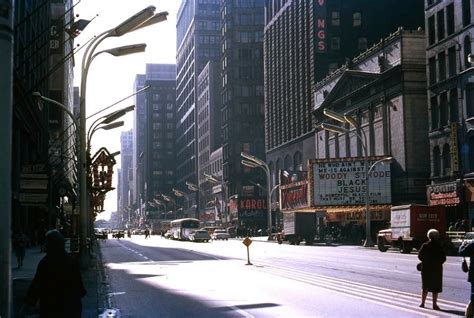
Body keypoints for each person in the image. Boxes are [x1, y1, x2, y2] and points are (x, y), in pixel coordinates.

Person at [22, 229, 86, 318]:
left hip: (51, 308)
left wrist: (28, 304)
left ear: (49, 245)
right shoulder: (71, 261)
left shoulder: (45, 263)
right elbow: (79, 285)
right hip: (71, 308)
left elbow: (36, 285)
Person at [418, 228, 446, 310]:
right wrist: (437, 262)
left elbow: (420, 256)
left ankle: (422, 303)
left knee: (425, 286)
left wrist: (426, 261)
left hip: (426, 268)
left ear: (429, 236)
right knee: (435, 287)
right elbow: (443, 258)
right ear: (437, 237)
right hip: (436, 269)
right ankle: (434, 304)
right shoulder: (439, 246)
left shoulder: (425, 245)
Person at [459, 239, 474, 317]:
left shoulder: (472, 244)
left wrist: (463, 245)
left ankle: (470, 312)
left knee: (473, 293)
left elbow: (462, 252)